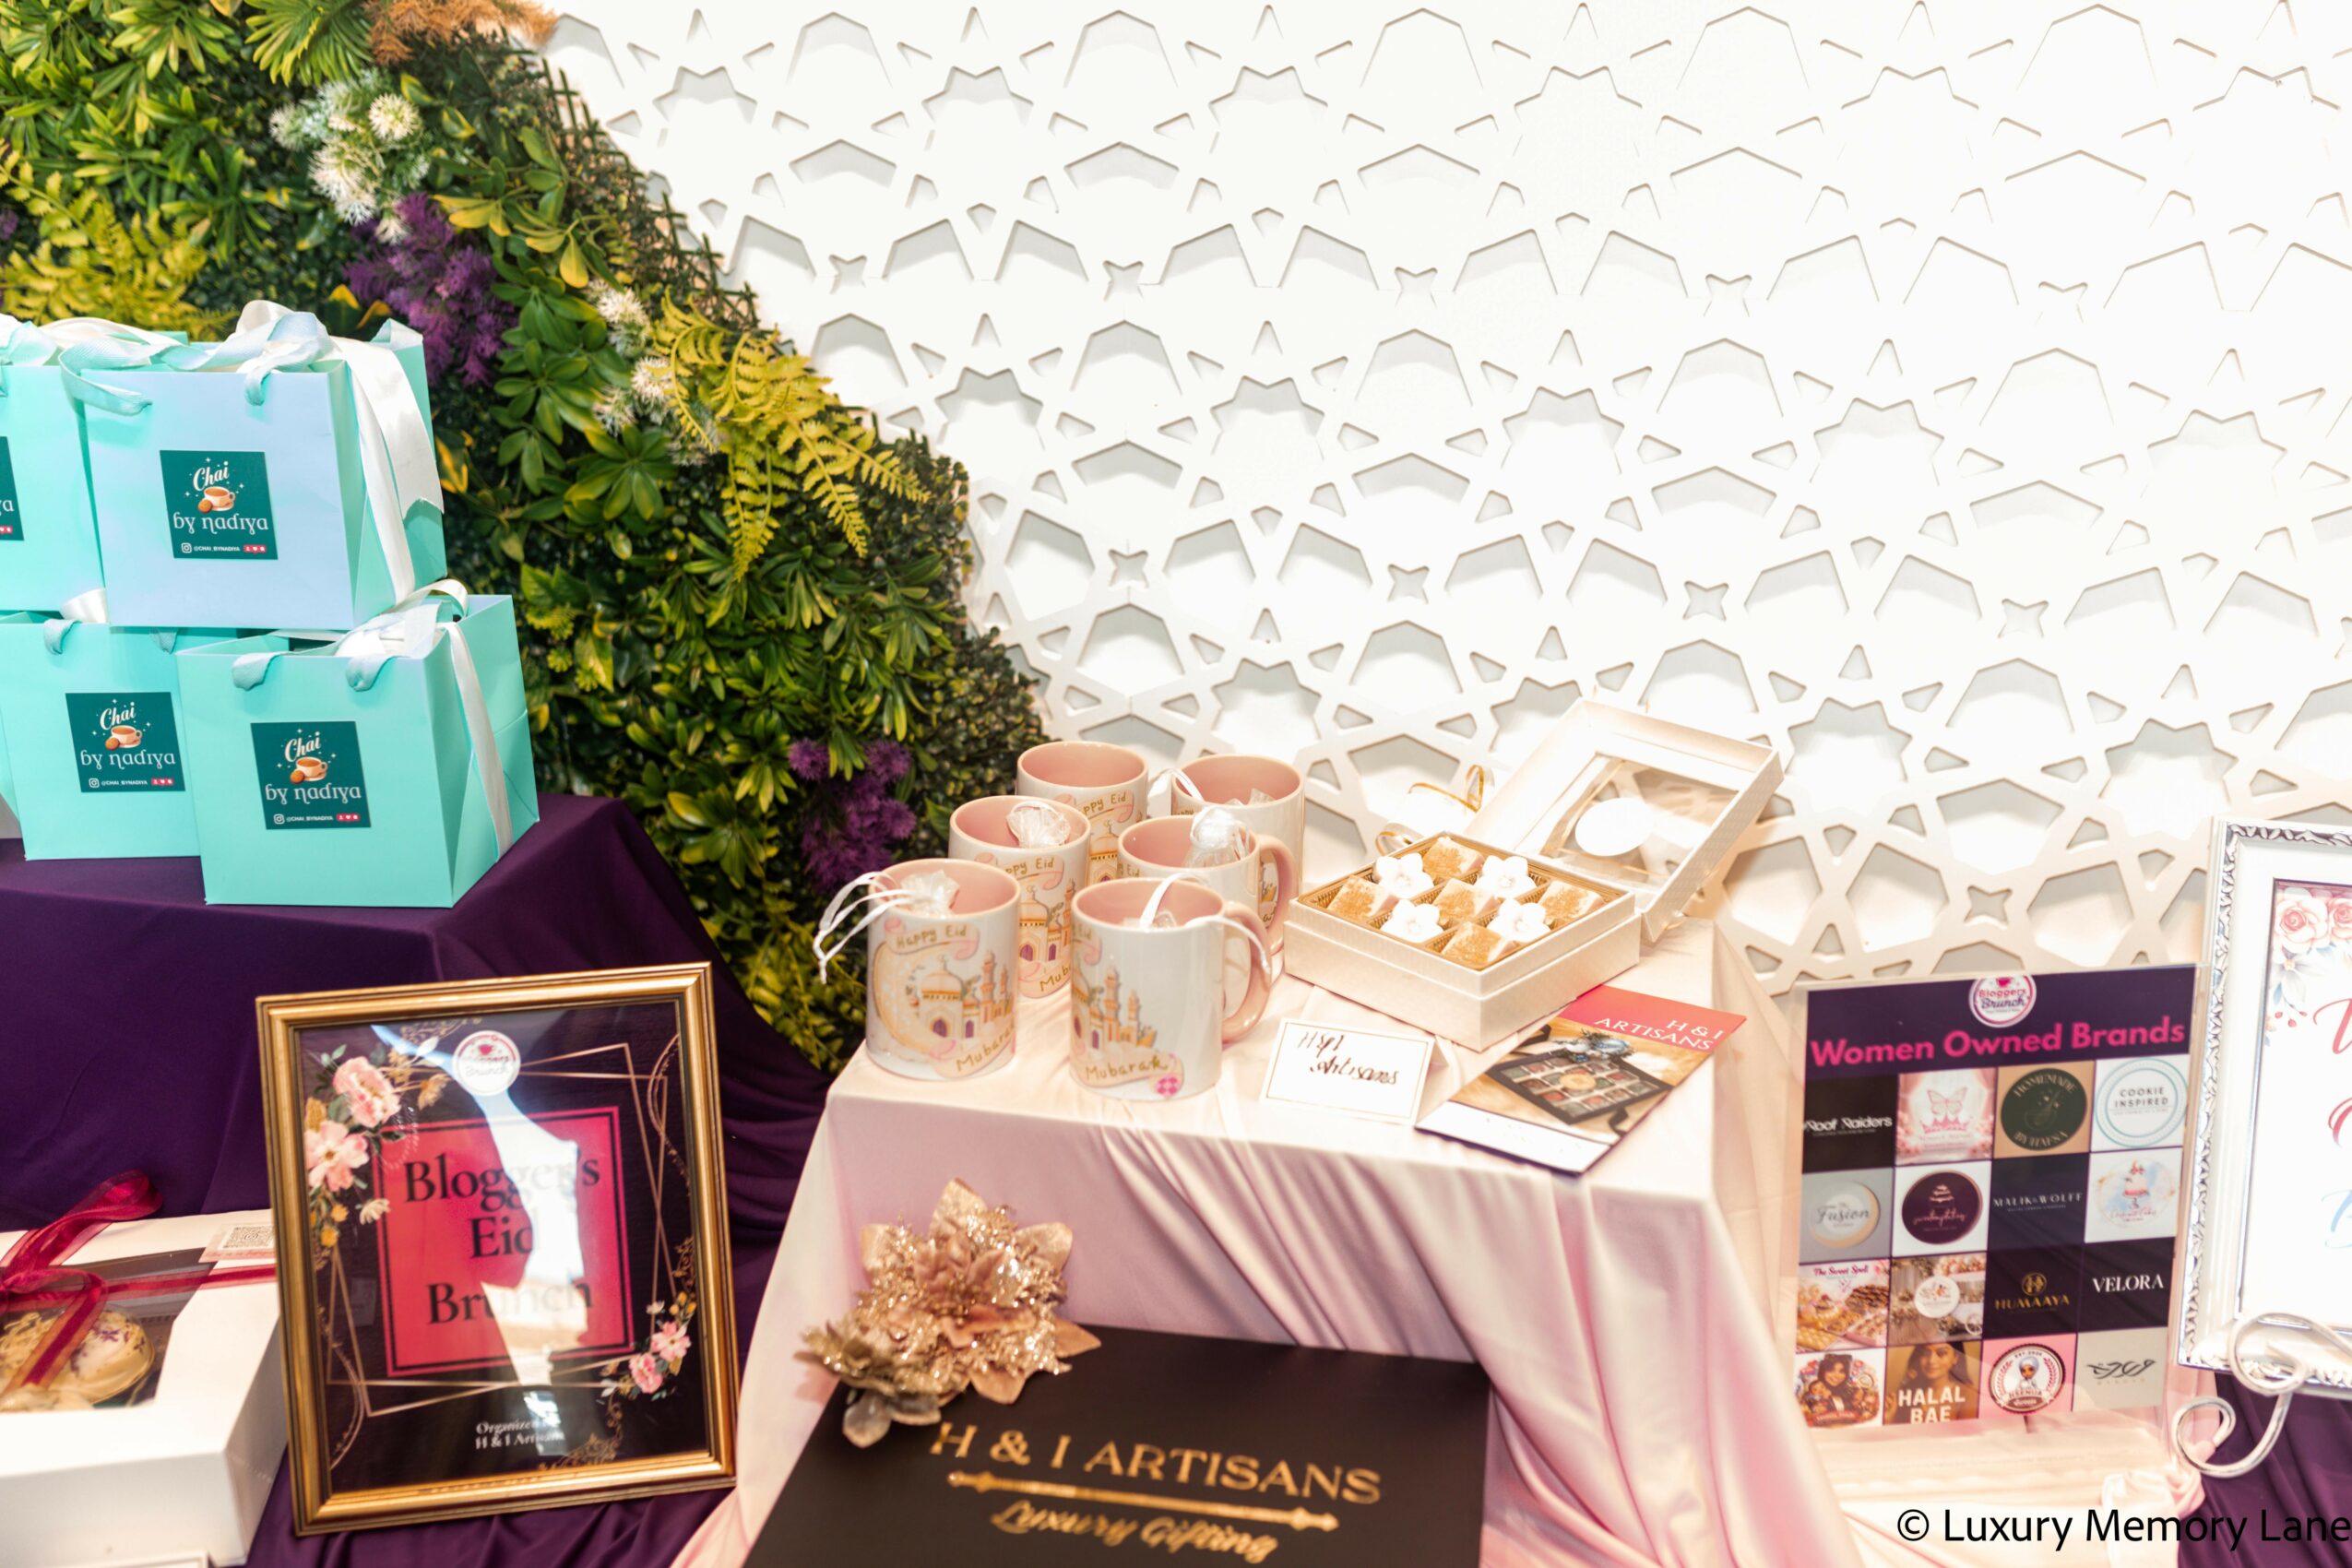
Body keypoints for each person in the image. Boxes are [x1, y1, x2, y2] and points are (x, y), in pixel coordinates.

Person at [1887, 1340, 1976, 1423]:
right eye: (1925, 1353)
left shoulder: (1968, 1394)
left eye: (1941, 1353)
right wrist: (1888, 1419)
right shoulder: (1907, 1393)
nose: (1931, 1361)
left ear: (1955, 1358)